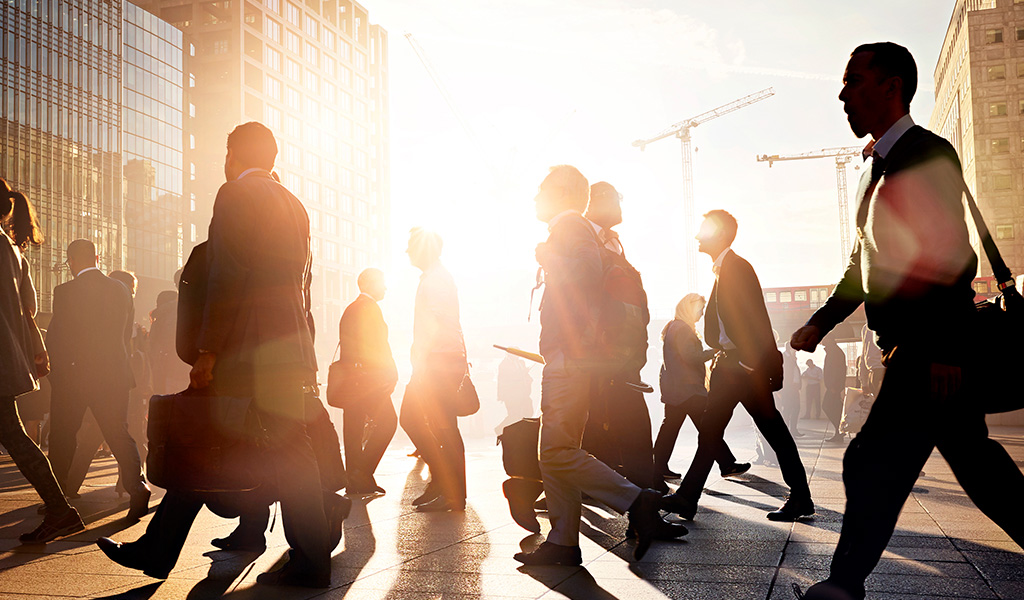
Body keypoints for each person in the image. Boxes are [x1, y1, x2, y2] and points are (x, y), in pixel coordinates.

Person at [792, 43, 1024, 600]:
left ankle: (844, 585)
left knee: (872, 460)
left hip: (928, 348)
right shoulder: (881, 166)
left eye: (854, 80)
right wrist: (822, 322)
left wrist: (944, 348)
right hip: (918, 346)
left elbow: (950, 254)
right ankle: (845, 584)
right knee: (980, 470)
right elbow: (863, 263)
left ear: (891, 87)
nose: (843, 94)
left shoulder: (926, 155)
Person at [97, 122, 341, 588]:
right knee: (288, 456)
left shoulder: (234, 195)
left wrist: (208, 350)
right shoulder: (295, 205)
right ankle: (310, 560)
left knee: (204, 440)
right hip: (288, 348)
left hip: (246, 350)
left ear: (232, 155)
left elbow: (227, 278)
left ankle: (159, 548)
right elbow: (303, 286)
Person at [513, 165, 686, 567]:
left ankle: (637, 501)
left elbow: (586, 275)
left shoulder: (569, 226)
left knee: (555, 450)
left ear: (560, 193)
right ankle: (562, 541)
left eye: (541, 189)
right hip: (574, 356)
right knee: (556, 450)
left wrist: (549, 256)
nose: (535, 197)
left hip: (569, 357)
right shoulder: (576, 228)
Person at [663, 210, 813, 523]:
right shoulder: (724, 270)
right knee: (718, 431)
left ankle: (800, 497)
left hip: (741, 369)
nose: (696, 236)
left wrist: (747, 363)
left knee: (767, 429)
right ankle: (688, 498)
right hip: (731, 366)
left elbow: (755, 317)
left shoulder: (736, 268)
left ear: (719, 234)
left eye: (703, 230)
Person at [0, 179, 84, 543]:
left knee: (16, 437)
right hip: (5, 357)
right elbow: (30, 307)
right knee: (15, 436)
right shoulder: (12, 250)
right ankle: (60, 510)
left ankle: (61, 510)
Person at [45, 239, 151, 522]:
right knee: (118, 432)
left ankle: (57, 497)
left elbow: (60, 336)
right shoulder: (120, 289)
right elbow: (125, 335)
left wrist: (58, 371)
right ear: (97, 257)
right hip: (114, 373)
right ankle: (137, 485)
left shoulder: (65, 291)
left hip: (75, 375)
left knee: (64, 435)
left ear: (71, 261)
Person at [579, 182, 663, 493]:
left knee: (617, 424)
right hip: (597, 355)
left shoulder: (613, 242)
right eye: (617, 199)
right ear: (597, 200)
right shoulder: (582, 237)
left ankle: (643, 492)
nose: (621, 207)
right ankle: (644, 497)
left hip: (621, 354)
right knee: (615, 423)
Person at [398, 228, 469, 512]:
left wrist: (422, 359)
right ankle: (444, 483)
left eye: (411, 247)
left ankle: (451, 490)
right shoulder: (433, 277)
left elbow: (438, 323)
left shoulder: (437, 280)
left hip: (437, 362)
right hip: (437, 360)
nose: (407, 252)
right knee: (428, 423)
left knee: (439, 426)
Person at [64, 270, 151, 499]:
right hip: (120, 384)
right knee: (125, 436)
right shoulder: (124, 320)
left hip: (111, 383)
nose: (132, 293)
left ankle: (71, 488)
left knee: (97, 438)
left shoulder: (107, 315)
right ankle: (132, 485)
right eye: (132, 289)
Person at [652, 293, 749, 480]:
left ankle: (658, 467)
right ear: (689, 308)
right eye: (700, 309)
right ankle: (726, 464)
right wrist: (714, 351)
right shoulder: (682, 329)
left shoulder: (673, 327)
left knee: (670, 428)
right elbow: (690, 356)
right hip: (688, 389)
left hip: (676, 388)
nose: (702, 314)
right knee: (709, 427)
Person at [340, 267, 398, 496]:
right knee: (388, 423)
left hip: (352, 381)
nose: (385, 287)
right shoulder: (369, 308)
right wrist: (390, 372)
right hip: (369, 382)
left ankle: (356, 480)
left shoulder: (351, 308)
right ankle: (361, 473)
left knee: (353, 430)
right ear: (371, 284)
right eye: (382, 282)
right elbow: (378, 346)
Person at [149, 290, 190, 395]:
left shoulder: (161, 317)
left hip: (164, 366)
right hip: (178, 367)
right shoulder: (181, 314)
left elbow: (154, 344)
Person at [494, 354, 533, 436]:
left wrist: (526, 375)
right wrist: (501, 395)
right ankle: (500, 429)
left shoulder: (521, 363)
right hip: (511, 395)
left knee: (527, 411)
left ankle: (517, 431)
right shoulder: (504, 365)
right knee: (513, 414)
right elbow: (504, 380)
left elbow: (523, 376)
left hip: (523, 393)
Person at [822, 337, 847, 442]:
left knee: (827, 406)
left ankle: (840, 430)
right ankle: (839, 431)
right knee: (835, 408)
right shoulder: (834, 351)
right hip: (833, 386)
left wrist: (834, 386)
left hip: (833, 387)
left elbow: (836, 371)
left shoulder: (834, 352)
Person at [780, 343, 803, 437]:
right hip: (788, 389)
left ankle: (793, 429)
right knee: (787, 410)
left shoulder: (792, 358)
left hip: (794, 388)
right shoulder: (784, 357)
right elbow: (784, 372)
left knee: (796, 408)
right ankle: (786, 431)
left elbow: (795, 372)